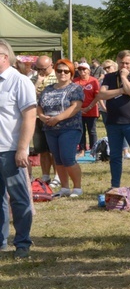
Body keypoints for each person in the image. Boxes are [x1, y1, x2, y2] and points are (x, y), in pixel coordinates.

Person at [0, 39, 36, 259]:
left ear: (4, 57)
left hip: (11, 150)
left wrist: (23, 148)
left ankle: (22, 243)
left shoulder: (19, 81)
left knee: (19, 198)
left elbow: (30, 116)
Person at [96, 50, 130, 197]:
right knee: (116, 156)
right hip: (113, 122)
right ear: (117, 62)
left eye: (127, 63)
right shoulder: (109, 77)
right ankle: (115, 185)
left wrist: (124, 78)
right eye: (121, 63)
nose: (124, 65)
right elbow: (102, 94)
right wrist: (120, 90)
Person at [37, 58, 85, 198]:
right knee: (57, 159)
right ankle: (64, 187)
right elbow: (39, 105)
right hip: (50, 128)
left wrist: (57, 118)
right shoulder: (48, 89)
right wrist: (41, 116)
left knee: (67, 158)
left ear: (71, 73)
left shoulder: (75, 88)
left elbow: (76, 107)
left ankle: (77, 188)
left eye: (66, 71)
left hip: (70, 127)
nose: (62, 73)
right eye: (59, 70)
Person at [31, 55, 58, 186]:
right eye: (38, 68)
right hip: (37, 118)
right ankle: (46, 175)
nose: (41, 71)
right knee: (42, 149)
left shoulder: (58, 76)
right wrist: (38, 82)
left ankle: (58, 176)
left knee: (54, 149)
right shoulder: (34, 78)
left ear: (51, 65)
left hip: (52, 117)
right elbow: (29, 95)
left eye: (44, 68)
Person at [73, 62, 100, 153]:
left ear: (89, 70)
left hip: (91, 110)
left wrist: (89, 107)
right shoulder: (74, 81)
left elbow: (97, 96)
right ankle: (82, 149)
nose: (82, 71)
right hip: (78, 110)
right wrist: (79, 108)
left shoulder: (94, 80)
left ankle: (94, 149)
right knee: (81, 131)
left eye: (84, 69)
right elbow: (72, 96)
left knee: (92, 131)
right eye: (80, 69)